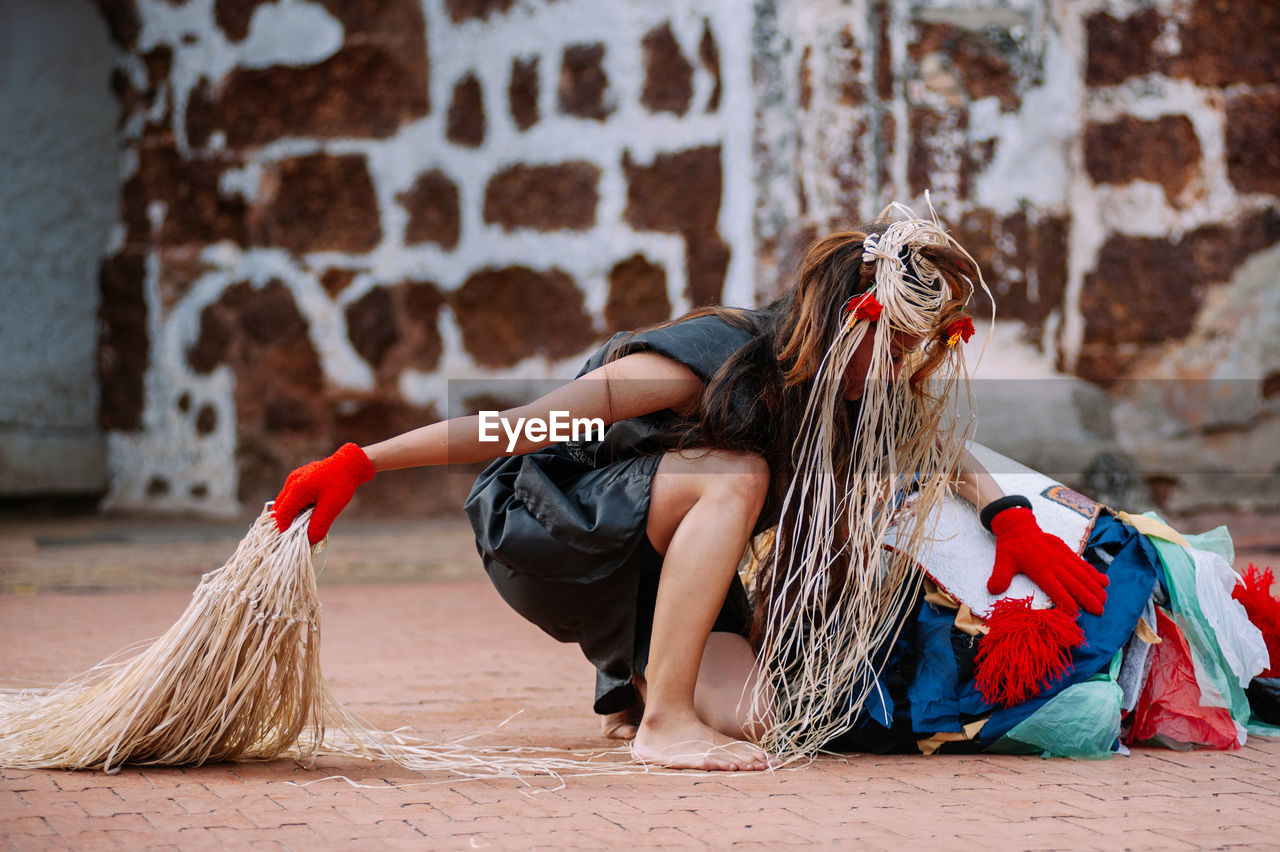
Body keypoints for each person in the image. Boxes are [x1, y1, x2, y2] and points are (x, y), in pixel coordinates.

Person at [272, 209, 1108, 771]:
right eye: (892, 347)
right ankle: (666, 718)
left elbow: (946, 445)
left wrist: (1008, 520)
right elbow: (526, 426)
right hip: (546, 521)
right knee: (737, 474)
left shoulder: (854, 397)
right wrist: (363, 462)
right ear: (850, 315)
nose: (899, 371)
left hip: (648, 561)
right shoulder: (713, 355)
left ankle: (640, 686)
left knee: (772, 720)